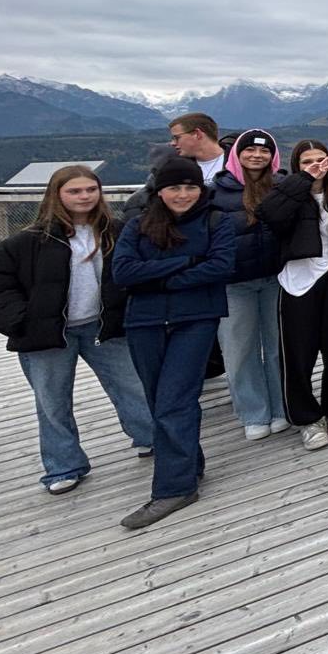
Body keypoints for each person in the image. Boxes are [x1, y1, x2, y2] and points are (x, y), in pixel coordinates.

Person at [0, 166, 153, 495]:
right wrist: (23, 321)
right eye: (74, 191)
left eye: (90, 189)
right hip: (47, 334)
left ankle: (150, 438)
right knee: (52, 403)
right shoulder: (28, 241)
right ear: (56, 195)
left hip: (103, 326)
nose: (84, 196)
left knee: (133, 387)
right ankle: (63, 466)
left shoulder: (116, 231)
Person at [111, 155, 236, 528]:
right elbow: (123, 272)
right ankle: (189, 465)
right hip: (144, 323)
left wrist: (155, 280)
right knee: (159, 402)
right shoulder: (137, 225)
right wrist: (186, 263)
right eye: (174, 187)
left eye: (190, 187)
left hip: (195, 320)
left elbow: (220, 266)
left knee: (174, 400)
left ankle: (174, 489)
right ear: (159, 190)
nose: (183, 194)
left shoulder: (217, 221)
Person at [257, 140, 328, 444]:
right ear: (296, 166)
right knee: (298, 355)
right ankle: (306, 418)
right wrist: (304, 180)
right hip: (298, 284)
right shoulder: (286, 195)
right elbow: (270, 214)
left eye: (321, 160)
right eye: (307, 161)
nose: (316, 166)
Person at [209, 130, 289, 439]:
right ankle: (253, 412)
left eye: (265, 151)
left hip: (276, 279)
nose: (257, 156)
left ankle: (281, 407)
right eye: (250, 151)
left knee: (278, 346)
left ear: (273, 156)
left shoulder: (281, 186)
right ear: (236, 154)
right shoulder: (216, 191)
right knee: (239, 350)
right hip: (233, 283)